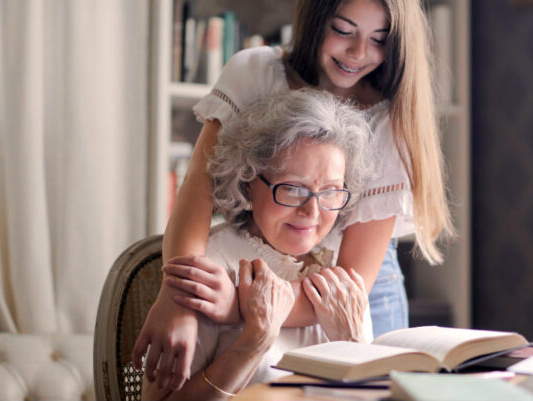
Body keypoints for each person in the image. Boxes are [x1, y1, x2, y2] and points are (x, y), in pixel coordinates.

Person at [134, 0, 455, 391]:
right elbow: (197, 191)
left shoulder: (389, 118)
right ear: (316, 20)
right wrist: (181, 296)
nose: (358, 53)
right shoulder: (256, 72)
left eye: (379, 39)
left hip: (347, 279)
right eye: (343, 29)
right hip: (256, 261)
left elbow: (350, 280)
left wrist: (238, 306)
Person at [141, 89, 373, 400]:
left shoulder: (341, 281)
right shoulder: (209, 269)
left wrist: (353, 346)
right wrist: (253, 343)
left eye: (331, 191)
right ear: (248, 181)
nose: (312, 212)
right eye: (292, 188)